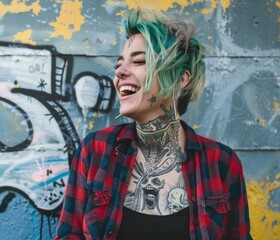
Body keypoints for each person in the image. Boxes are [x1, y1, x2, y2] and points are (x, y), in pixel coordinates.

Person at [55, 6, 252, 240]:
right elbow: (69, 235)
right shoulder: (96, 150)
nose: (119, 72)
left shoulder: (221, 163)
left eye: (138, 61)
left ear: (181, 78)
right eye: (119, 64)